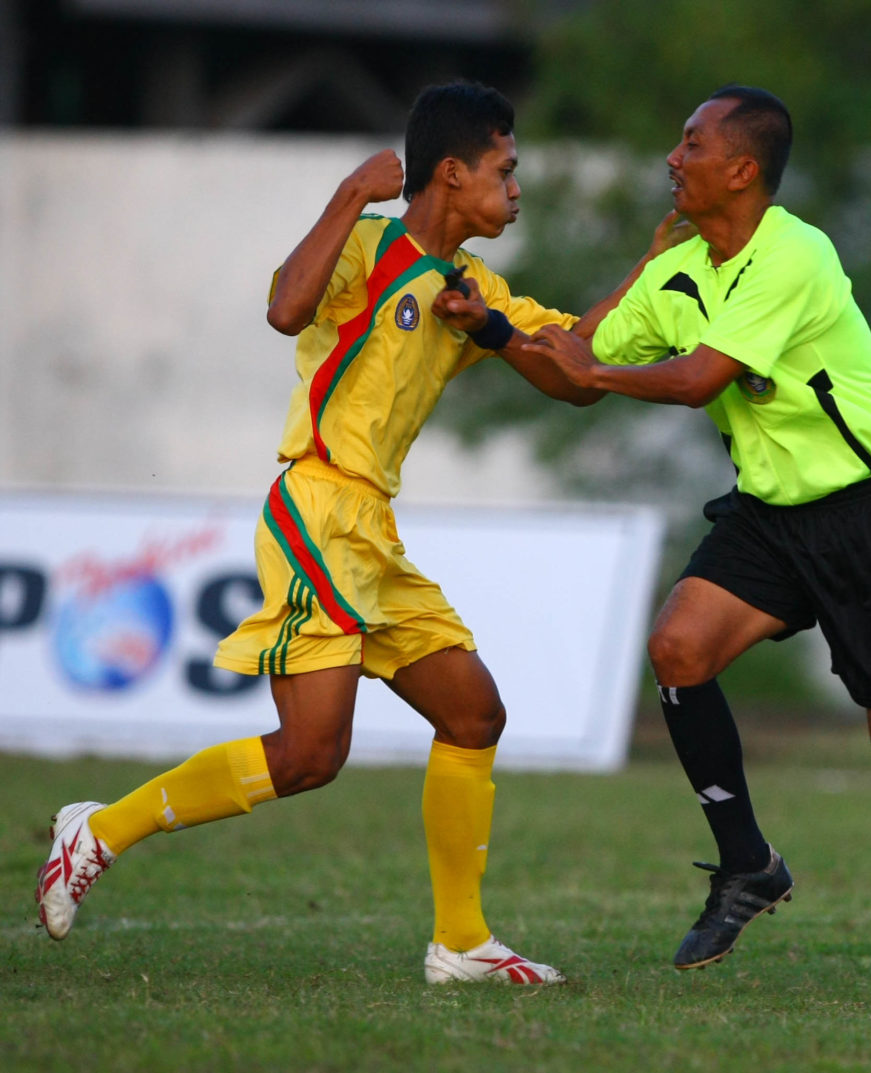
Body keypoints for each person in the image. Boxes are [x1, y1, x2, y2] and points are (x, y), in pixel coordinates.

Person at [34, 80, 643, 986]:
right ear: (451, 173)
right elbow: (284, 308)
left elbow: (579, 371)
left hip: (372, 532)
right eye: (505, 171)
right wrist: (352, 193)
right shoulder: (370, 246)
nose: (517, 190)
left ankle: (462, 942)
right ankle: (100, 829)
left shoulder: (474, 289)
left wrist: (635, 272)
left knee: (474, 713)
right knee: (312, 755)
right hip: (316, 509)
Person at [524, 85, 871, 1000]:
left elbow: (697, 375)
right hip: (772, 515)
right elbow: (578, 366)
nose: (674, 158)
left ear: (742, 169)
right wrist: (494, 325)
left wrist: (593, 364)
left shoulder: (796, 250)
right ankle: (747, 863)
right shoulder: (679, 266)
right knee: (676, 647)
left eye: (692, 143)